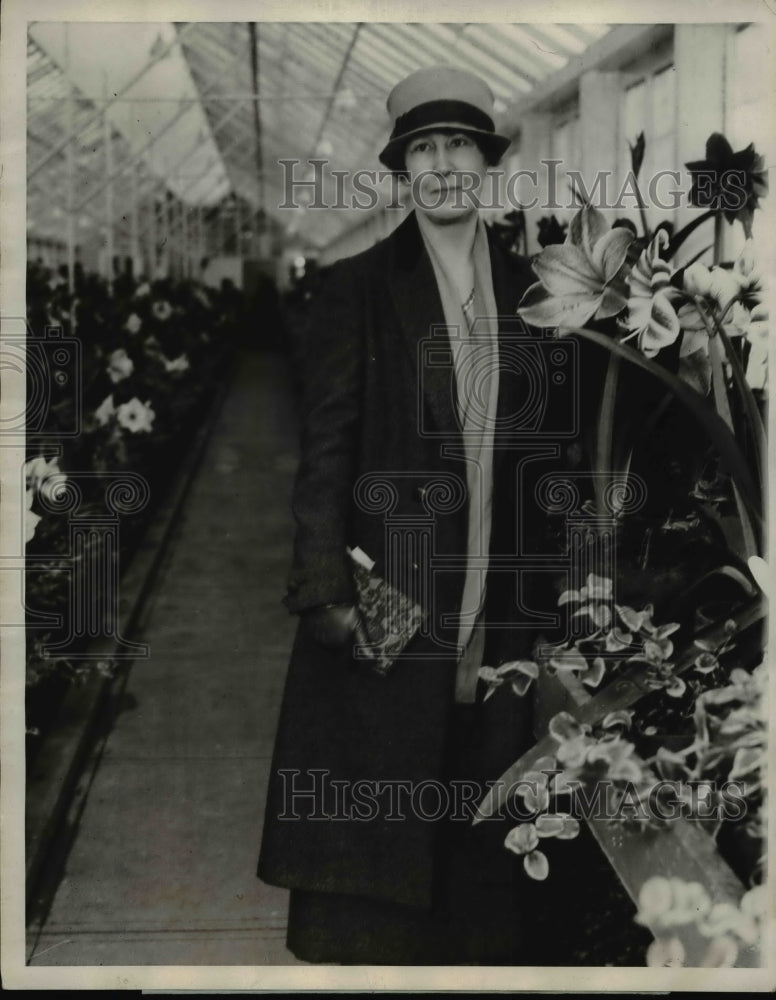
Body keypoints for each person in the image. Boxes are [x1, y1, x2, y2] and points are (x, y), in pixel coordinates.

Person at [258, 65, 550, 965]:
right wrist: (325, 591)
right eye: (424, 148)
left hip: (498, 599)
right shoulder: (355, 288)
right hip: (399, 593)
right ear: (403, 170)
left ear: (485, 162)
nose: (443, 165)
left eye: (459, 144)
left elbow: (553, 459)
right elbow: (326, 450)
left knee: (483, 836)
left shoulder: (538, 294)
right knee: (379, 850)